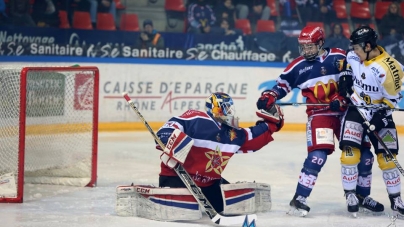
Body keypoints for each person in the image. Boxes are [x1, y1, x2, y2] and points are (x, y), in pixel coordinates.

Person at [256, 25, 348, 217]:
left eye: (310, 47)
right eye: (303, 47)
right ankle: (300, 198)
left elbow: (354, 82)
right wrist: (270, 95)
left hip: (345, 113)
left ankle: (362, 197)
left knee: (358, 153)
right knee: (318, 156)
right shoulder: (298, 65)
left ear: (321, 43)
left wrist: (343, 98)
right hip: (320, 116)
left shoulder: (340, 56)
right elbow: (282, 84)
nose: (306, 51)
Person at [154, 92, 284, 214]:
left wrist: (272, 123)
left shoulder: (233, 133)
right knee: (184, 211)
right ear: (215, 108)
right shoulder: (197, 118)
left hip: (209, 185)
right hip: (177, 178)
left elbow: (253, 137)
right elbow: (169, 128)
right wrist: (168, 137)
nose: (230, 111)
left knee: (232, 206)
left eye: (230, 108)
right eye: (226, 107)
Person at [331, 25, 404, 217]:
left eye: (357, 47)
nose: (354, 50)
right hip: (356, 108)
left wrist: (379, 119)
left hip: (380, 112)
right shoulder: (356, 55)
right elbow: (349, 60)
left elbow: (393, 101)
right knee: (349, 154)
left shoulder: (389, 69)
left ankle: (396, 200)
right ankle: (350, 195)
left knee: (388, 159)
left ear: (368, 45)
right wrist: (346, 76)